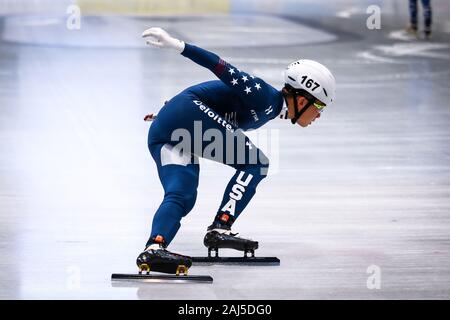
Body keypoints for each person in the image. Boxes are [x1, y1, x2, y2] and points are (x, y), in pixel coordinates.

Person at [136, 27, 336, 274]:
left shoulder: (271, 108)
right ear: (303, 99)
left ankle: (154, 248)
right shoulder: (262, 95)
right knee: (256, 162)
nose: (319, 114)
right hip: (182, 119)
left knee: (182, 194)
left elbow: (215, 101)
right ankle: (220, 228)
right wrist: (179, 46)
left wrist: (165, 114)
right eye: (319, 105)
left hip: (165, 131)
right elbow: (220, 66)